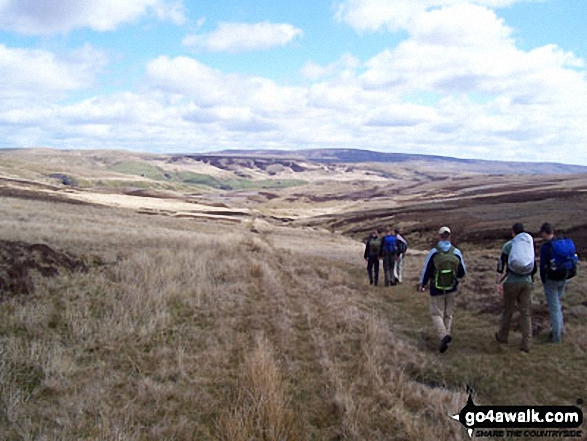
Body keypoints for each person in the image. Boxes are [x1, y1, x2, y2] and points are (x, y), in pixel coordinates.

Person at [418, 226, 466, 353]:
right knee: (448, 314)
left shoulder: (434, 252)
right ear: (450, 236)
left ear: (439, 236)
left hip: (436, 288)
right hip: (452, 287)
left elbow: (426, 270)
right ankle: (446, 337)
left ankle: (443, 336)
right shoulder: (456, 252)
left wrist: (422, 284)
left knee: (436, 313)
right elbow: (462, 272)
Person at [495, 223, 537, 353]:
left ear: (513, 233)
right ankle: (527, 343)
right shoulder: (529, 244)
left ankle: (503, 337)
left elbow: (501, 265)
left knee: (508, 310)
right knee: (525, 313)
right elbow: (533, 265)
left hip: (511, 282)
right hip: (527, 282)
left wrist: (498, 282)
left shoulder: (508, 245)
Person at [539, 223, 578, 343]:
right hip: (564, 277)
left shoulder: (546, 247)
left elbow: (542, 266)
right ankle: (560, 330)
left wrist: (543, 280)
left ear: (545, 233)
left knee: (554, 308)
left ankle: (556, 337)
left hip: (551, 280)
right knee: (558, 305)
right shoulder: (563, 243)